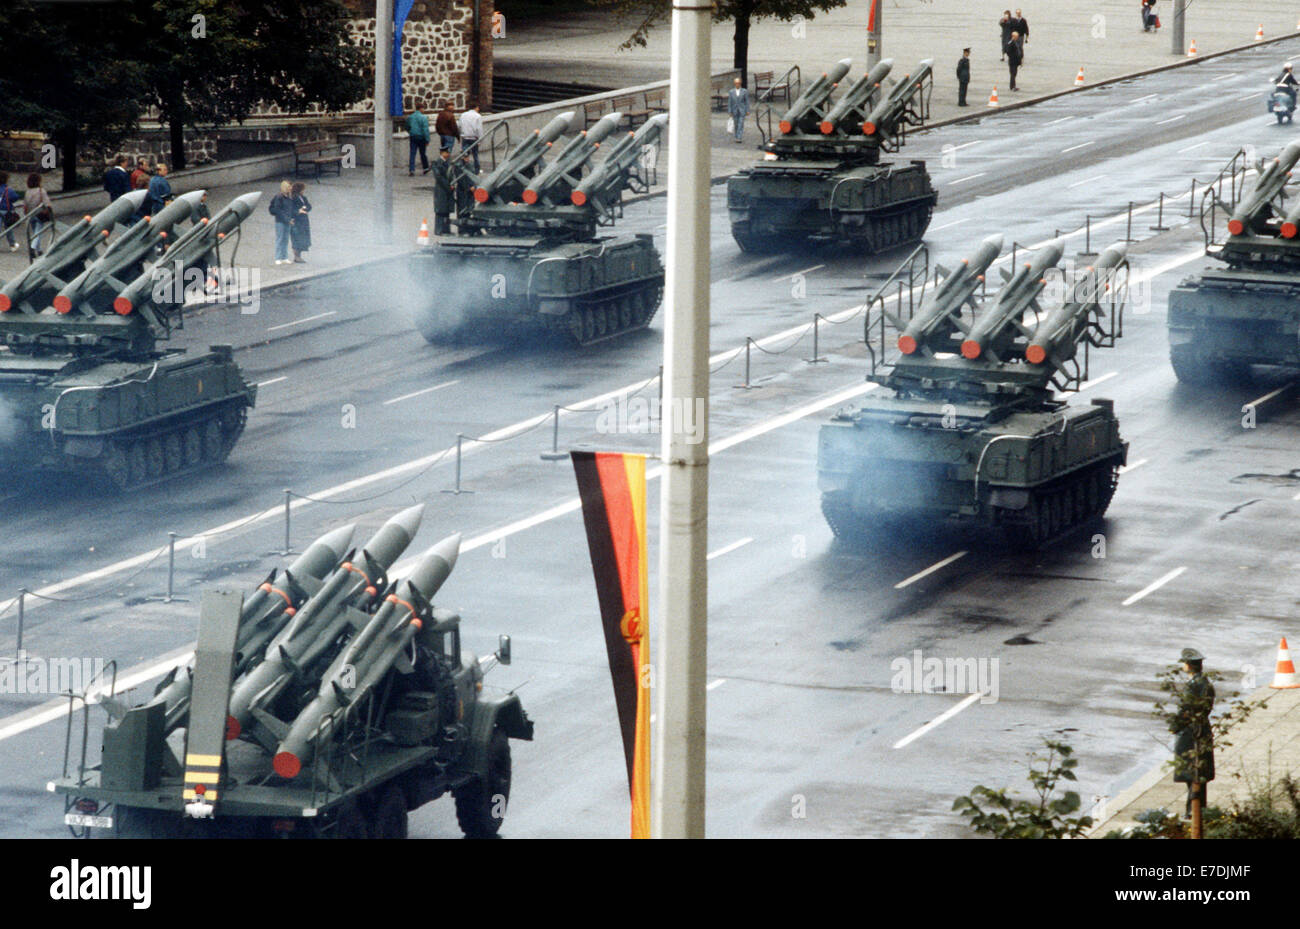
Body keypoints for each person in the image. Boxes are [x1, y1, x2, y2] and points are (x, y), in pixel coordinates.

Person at [1170, 648, 1215, 820]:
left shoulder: (1194, 685)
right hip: (1201, 729)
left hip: (1190, 732)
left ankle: (1193, 812)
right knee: (1198, 773)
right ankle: (1196, 810)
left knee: (1192, 773)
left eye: (1183, 662)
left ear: (1188, 665)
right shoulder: (1205, 683)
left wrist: (1175, 726)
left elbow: (1186, 710)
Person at [22, 173, 53, 258]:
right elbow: (47, 203)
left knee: (35, 232)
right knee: (38, 233)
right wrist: (49, 211)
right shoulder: (41, 191)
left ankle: (39, 250)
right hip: (40, 214)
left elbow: (25, 205)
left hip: (30, 214)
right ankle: (33, 247)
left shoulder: (27, 192)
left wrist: (26, 214)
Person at [268, 180, 295, 265]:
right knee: (280, 239)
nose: (291, 188)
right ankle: (278, 257)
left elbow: (290, 209)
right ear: (286, 187)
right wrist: (288, 219)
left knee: (285, 239)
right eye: (289, 187)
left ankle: (284, 257)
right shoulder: (279, 197)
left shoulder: (289, 197)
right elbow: (278, 211)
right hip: (280, 221)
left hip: (288, 220)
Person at [288, 180, 312, 263]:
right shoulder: (292, 198)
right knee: (296, 238)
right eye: (302, 189)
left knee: (302, 238)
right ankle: (297, 256)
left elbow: (308, 206)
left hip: (303, 221)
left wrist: (304, 208)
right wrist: (298, 211)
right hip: (296, 221)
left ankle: (299, 255)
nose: (303, 191)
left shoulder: (303, 198)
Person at [431, 148, 454, 235]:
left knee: (446, 210)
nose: (448, 154)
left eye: (448, 152)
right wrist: (448, 186)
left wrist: (452, 184)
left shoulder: (448, 163)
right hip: (441, 190)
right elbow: (439, 177)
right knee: (440, 210)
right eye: (446, 152)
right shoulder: (437, 163)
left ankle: (446, 229)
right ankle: (439, 230)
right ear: (442, 153)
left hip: (447, 190)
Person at [458, 101, 483, 173]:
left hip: (465, 136)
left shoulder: (463, 115)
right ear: (476, 108)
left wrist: (461, 134)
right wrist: (480, 139)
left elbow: (459, 126)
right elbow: (479, 128)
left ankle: (463, 168)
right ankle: (477, 169)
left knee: (465, 154)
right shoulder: (478, 116)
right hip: (474, 137)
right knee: (475, 154)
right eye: (478, 108)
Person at [407, 101, 430, 176]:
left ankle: (411, 169)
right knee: (422, 153)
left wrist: (410, 132)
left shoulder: (410, 117)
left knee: (412, 153)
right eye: (423, 108)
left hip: (413, 136)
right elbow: (425, 129)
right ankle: (425, 168)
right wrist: (427, 139)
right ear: (421, 109)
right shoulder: (423, 117)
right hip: (421, 137)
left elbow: (407, 126)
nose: (424, 110)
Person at [0, 172, 20, 251]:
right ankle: (12, 245)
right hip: (6, 212)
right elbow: (15, 197)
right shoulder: (8, 190)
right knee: (8, 229)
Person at [727, 76, 749, 144]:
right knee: (736, 124)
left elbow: (747, 101)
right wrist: (730, 111)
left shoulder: (744, 91)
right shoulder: (731, 92)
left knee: (741, 124)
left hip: (742, 110)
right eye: (736, 83)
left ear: (740, 83)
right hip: (734, 110)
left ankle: (739, 137)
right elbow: (730, 102)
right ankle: (736, 136)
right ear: (734, 84)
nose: (737, 84)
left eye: (738, 83)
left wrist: (747, 110)